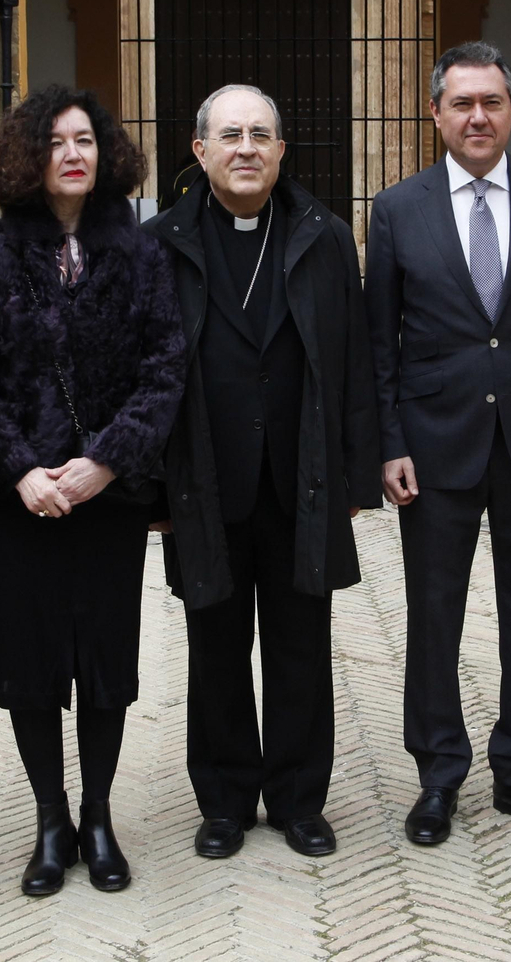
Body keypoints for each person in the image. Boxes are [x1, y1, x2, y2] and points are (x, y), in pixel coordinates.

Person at [0, 86, 185, 895]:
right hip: (18, 498)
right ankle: (51, 821)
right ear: (26, 157)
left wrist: (106, 460)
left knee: (105, 657)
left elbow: (164, 368)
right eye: (54, 142)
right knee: (31, 659)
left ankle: (99, 816)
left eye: (84, 139)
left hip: (107, 497)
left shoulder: (141, 250)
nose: (72, 154)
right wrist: (20, 468)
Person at [364, 41, 511, 845]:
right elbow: (380, 342)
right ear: (435, 113)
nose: (477, 116)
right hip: (434, 443)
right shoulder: (398, 208)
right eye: (461, 103)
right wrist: (389, 440)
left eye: (491, 101)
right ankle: (438, 774)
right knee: (435, 614)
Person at [145, 84, 380, 860]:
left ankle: (299, 798)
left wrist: (354, 478)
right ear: (199, 148)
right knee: (213, 644)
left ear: (281, 150)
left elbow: (353, 360)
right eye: (230, 134)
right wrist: (151, 490)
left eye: (260, 134)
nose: (245, 148)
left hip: (299, 476)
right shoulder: (161, 243)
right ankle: (223, 802)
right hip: (205, 480)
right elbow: (141, 376)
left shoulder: (324, 236)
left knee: (301, 645)